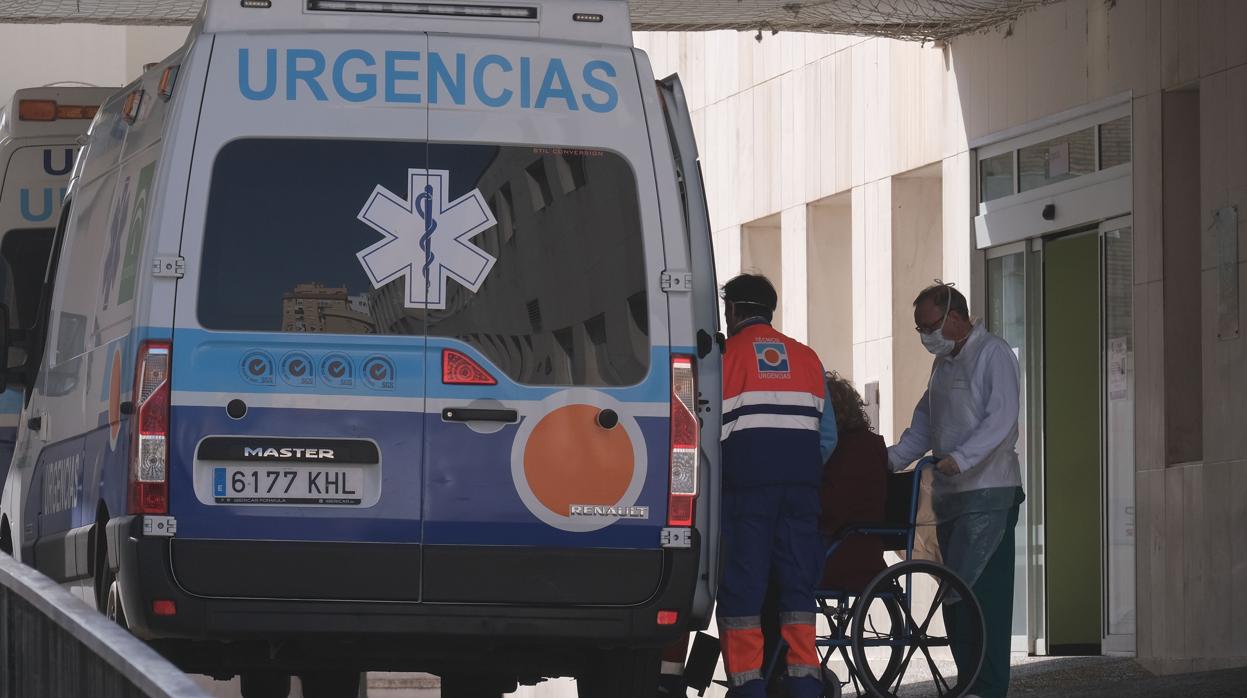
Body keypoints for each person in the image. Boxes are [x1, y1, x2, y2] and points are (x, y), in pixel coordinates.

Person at [889, 282, 1025, 698]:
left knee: (985, 599)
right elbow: (925, 426)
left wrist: (961, 459)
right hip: (952, 497)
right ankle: (970, 680)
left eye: (927, 326)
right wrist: (890, 461)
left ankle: (988, 686)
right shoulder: (943, 366)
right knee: (955, 596)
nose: (924, 337)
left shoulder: (993, 354)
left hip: (988, 492)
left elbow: (1001, 419)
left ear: (954, 317)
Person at [717, 274, 837, 698]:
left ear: (733, 310)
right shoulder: (808, 359)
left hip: (746, 492)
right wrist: (795, 468)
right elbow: (828, 438)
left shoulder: (724, 359)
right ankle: (804, 683)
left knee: (743, 591)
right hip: (801, 494)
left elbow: (702, 434)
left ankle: (748, 688)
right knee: (797, 589)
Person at [759, 372, 887, 694]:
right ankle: (778, 668)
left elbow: (831, 505)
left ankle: (776, 669)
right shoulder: (870, 445)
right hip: (860, 547)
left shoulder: (845, 451)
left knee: (772, 577)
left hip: (840, 551)